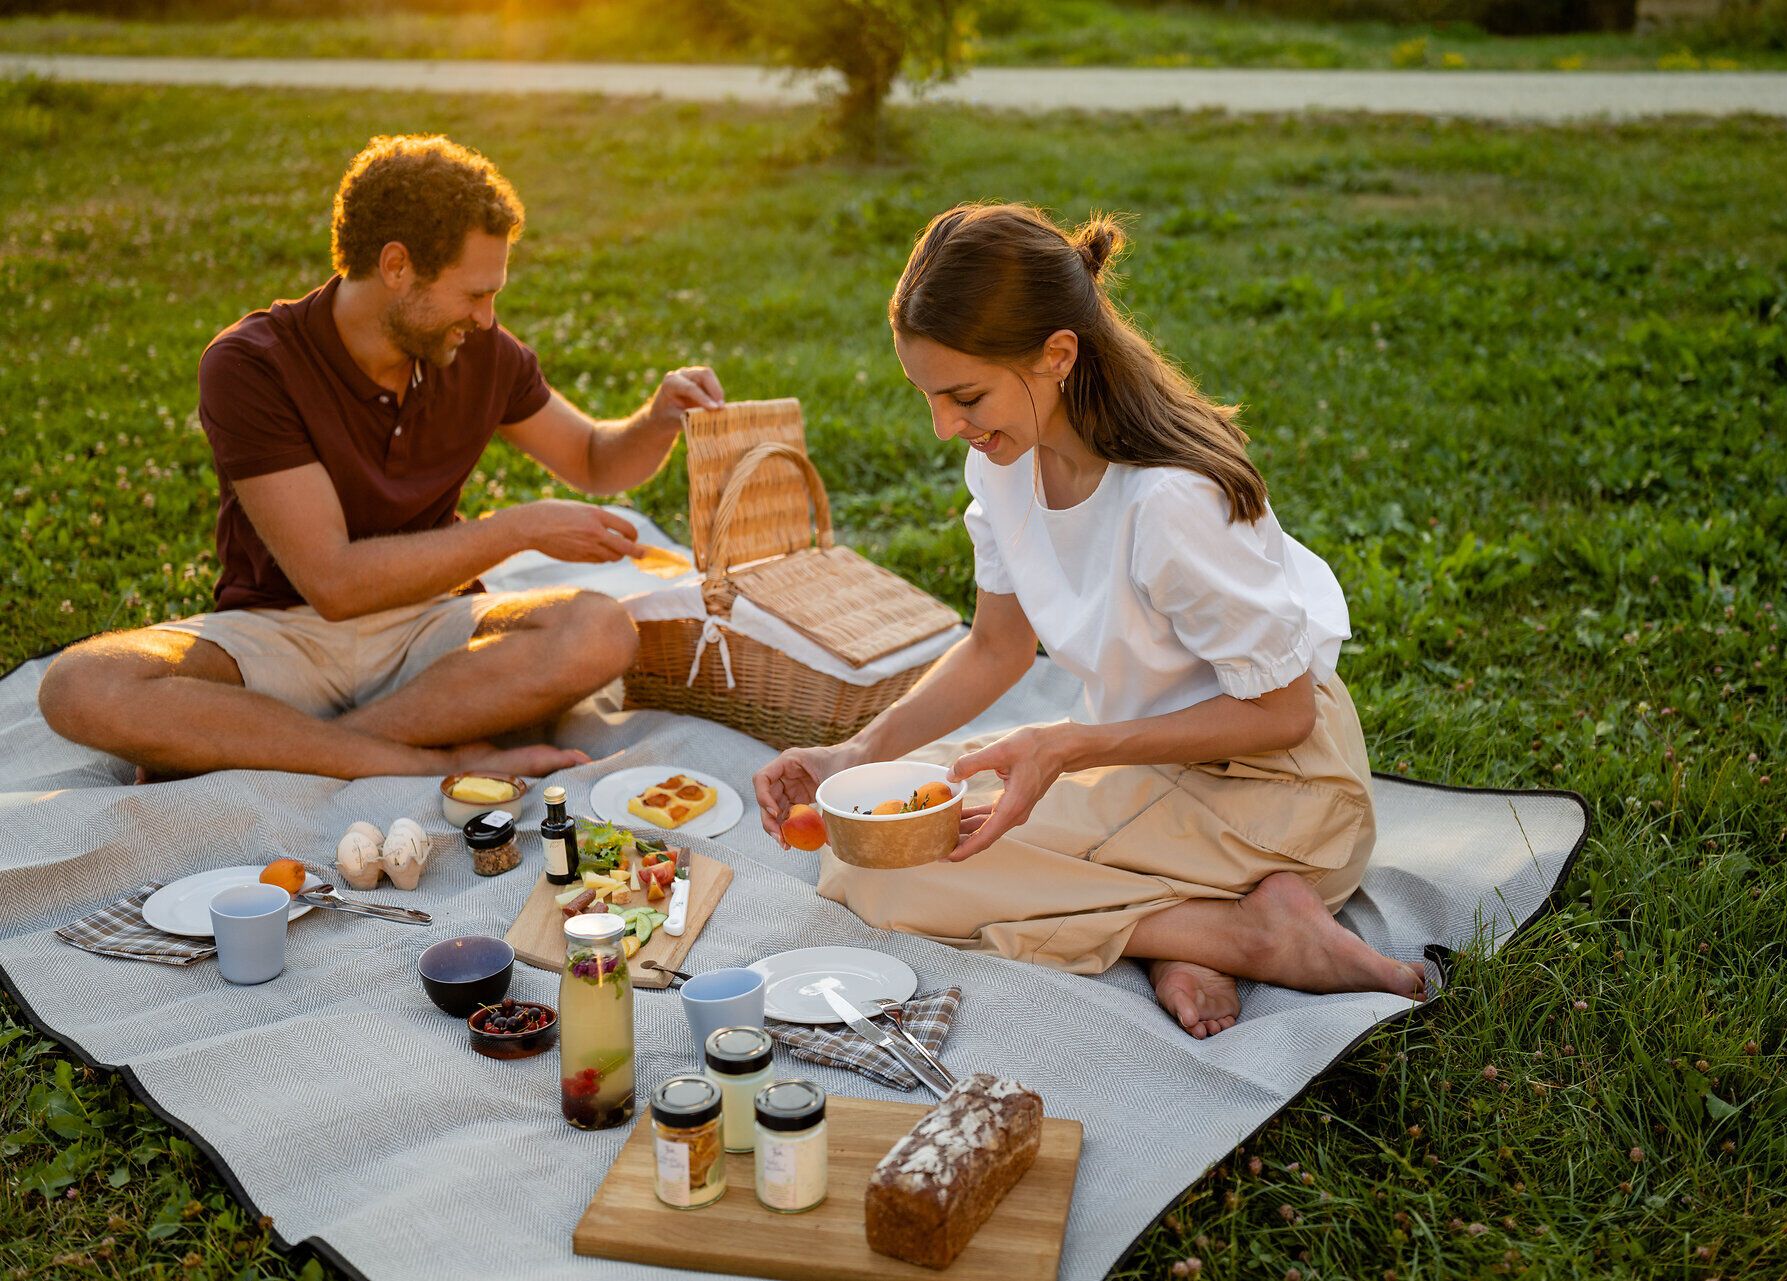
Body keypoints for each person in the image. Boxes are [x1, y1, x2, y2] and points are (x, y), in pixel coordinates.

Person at [754, 203, 1424, 1038]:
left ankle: (1246, 935)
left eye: (965, 395)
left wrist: (1071, 746)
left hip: (1282, 796)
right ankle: (1199, 926)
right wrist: (856, 754)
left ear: (1058, 354)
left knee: (886, 877)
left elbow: (1285, 713)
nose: (945, 427)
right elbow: (996, 649)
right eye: (928, 396)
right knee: (874, 830)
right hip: (1145, 767)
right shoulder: (1004, 464)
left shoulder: (1170, 499)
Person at [38, 134, 724, 781]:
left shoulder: (481, 352)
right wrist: (518, 529)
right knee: (81, 684)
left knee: (598, 630)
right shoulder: (253, 364)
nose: (486, 317)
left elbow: (596, 459)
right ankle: (424, 761)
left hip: (428, 628)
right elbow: (334, 584)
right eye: (475, 293)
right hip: (280, 632)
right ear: (396, 266)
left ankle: (292, 746)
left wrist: (658, 416)